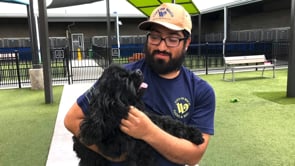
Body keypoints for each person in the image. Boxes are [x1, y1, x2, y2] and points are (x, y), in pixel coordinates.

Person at [64, 3, 215, 166]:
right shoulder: (119, 78)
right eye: (155, 37)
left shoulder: (201, 91)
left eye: (172, 39)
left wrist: (148, 132)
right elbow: (72, 119)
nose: (161, 46)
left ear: (187, 43)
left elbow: (193, 156)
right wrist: (111, 155)